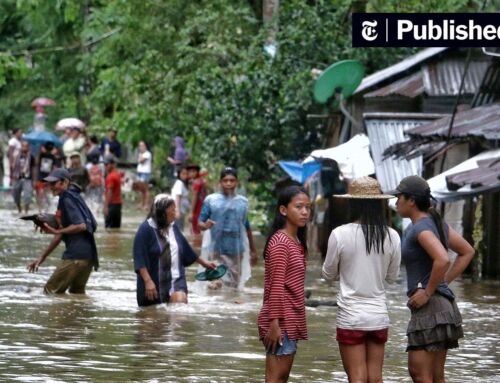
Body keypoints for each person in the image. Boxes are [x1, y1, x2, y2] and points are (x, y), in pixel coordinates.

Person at [389, 175, 475, 383]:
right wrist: (441, 283)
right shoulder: (436, 223)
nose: (396, 201)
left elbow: (443, 258)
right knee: (436, 377)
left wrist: (428, 291)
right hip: (444, 306)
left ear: (411, 200)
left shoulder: (420, 228)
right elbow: (467, 251)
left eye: (399, 196)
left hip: (431, 308)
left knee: (419, 374)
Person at [321, 176, 401, 383]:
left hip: (351, 316)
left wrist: (345, 269)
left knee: (356, 377)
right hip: (378, 316)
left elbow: (328, 275)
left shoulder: (339, 234)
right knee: (375, 376)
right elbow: (392, 278)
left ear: (352, 204)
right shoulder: (392, 236)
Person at [257, 185, 311, 383]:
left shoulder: (295, 241)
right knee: (275, 379)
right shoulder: (281, 242)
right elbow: (276, 286)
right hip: (280, 322)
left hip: (289, 319)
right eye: (298, 207)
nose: (304, 212)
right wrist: (273, 324)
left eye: (307, 207)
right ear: (283, 210)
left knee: (281, 378)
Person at [133, 193, 216, 306]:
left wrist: (204, 263)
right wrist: (148, 281)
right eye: (172, 210)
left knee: (179, 308)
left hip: (176, 280)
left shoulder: (173, 227)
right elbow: (139, 258)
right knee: (153, 318)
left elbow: (186, 249)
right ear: (161, 212)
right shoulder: (145, 230)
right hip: (153, 283)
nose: (175, 213)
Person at [27, 168, 98, 294]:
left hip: (75, 256)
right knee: (77, 295)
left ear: (65, 182)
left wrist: (56, 231)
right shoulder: (74, 196)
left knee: (50, 291)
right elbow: (61, 233)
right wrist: (41, 258)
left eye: (54, 183)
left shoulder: (66, 199)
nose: (51, 187)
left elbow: (81, 225)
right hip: (88, 257)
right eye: (49, 184)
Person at [198, 167, 257, 289]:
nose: (228, 183)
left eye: (232, 180)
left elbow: (246, 226)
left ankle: (230, 307)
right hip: (216, 250)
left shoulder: (243, 202)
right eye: (225, 180)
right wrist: (205, 225)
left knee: (233, 287)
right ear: (220, 182)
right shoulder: (211, 200)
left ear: (237, 182)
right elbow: (200, 223)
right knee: (215, 285)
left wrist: (253, 250)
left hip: (236, 251)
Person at [11, 140, 35, 214]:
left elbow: (33, 168)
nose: (24, 148)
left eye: (26, 146)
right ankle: (19, 209)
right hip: (17, 178)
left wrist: (34, 180)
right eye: (23, 146)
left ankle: (26, 212)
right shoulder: (16, 155)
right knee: (15, 195)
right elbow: (12, 167)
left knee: (27, 195)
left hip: (28, 178)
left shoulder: (31, 157)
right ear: (21, 147)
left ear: (28, 147)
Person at [34, 141, 58, 212]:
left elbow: (54, 167)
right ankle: (40, 209)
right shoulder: (41, 155)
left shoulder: (53, 157)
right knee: (40, 194)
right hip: (40, 177)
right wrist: (39, 151)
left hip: (48, 178)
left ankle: (46, 208)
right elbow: (36, 163)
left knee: (46, 194)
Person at [187, 164, 207, 237]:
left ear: (197, 172)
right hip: (202, 210)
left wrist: (191, 212)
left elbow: (194, 197)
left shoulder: (196, 183)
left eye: (193, 171)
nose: (191, 173)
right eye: (190, 172)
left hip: (197, 211)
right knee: (198, 231)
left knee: (195, 232)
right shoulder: (202, 181)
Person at [103, 155, 122, 228]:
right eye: (104, 164)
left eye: (107, 164)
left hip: (112, 205)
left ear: (112, 164)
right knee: (116, 229)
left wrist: (106, 207)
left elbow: (109, 192)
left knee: (108, 229)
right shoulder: (117, 174)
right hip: (118, 205)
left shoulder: (110, 176)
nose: (105, 166)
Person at [136, 141, 152, 210]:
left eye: (142, 146)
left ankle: (146, 204)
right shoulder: (141, 153)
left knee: (145, 189)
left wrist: (140, 158)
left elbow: (141, 161)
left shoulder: (147, 154)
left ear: (145, 146)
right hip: (139, 171)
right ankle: (141, 204)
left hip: (145, 172)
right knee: (140, 189)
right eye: (140, 146)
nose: (140, 147)